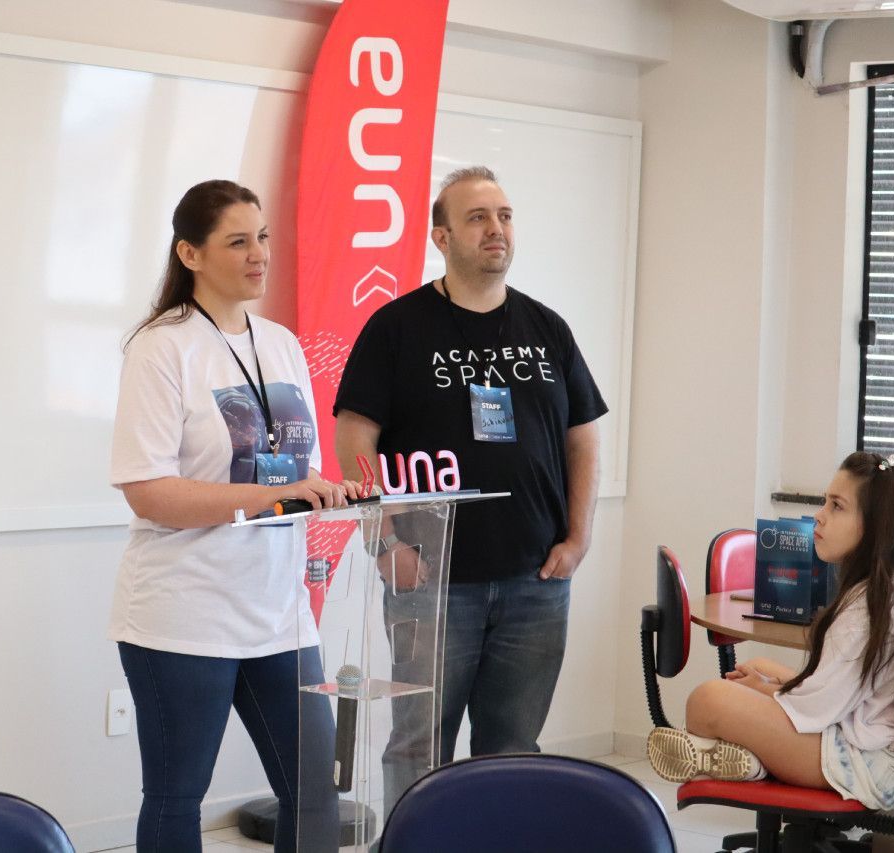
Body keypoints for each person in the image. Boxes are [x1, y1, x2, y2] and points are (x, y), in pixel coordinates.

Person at [333, 166, 606, 815]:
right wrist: (383, 542)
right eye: (479, 217)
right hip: (431, 583)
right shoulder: (397, 327)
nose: (496, 229)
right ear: (441, 235)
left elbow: (583, 438)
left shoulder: (548, 329)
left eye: (505, 215)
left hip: (535, 581)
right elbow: (354, 438)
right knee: (417, 745)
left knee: (512, 746)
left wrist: (579, 534)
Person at [109, 179, 358, 853]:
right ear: (190, 253)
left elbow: (288, 466)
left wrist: (320, 489)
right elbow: (148, 490)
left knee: (314, 791)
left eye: (264, 237)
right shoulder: (162, 347)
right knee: (176, 795)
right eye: (238, 241)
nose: (259, 254)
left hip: (279, 609)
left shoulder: (280, 343)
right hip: (185, 612)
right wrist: (275, 496)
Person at [647, 452, 894, 810]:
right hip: (870, 757)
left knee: (708, 700)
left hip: (860, 765)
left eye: (837, 506)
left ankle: (739, 761)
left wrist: (769, 688)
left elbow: (815, 710)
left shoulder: (868, 607)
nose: (820, 515)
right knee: (747, 687)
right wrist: (778, 677)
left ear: (872, 525)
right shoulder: (880, 592)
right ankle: (743, 763)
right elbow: (842, 694)